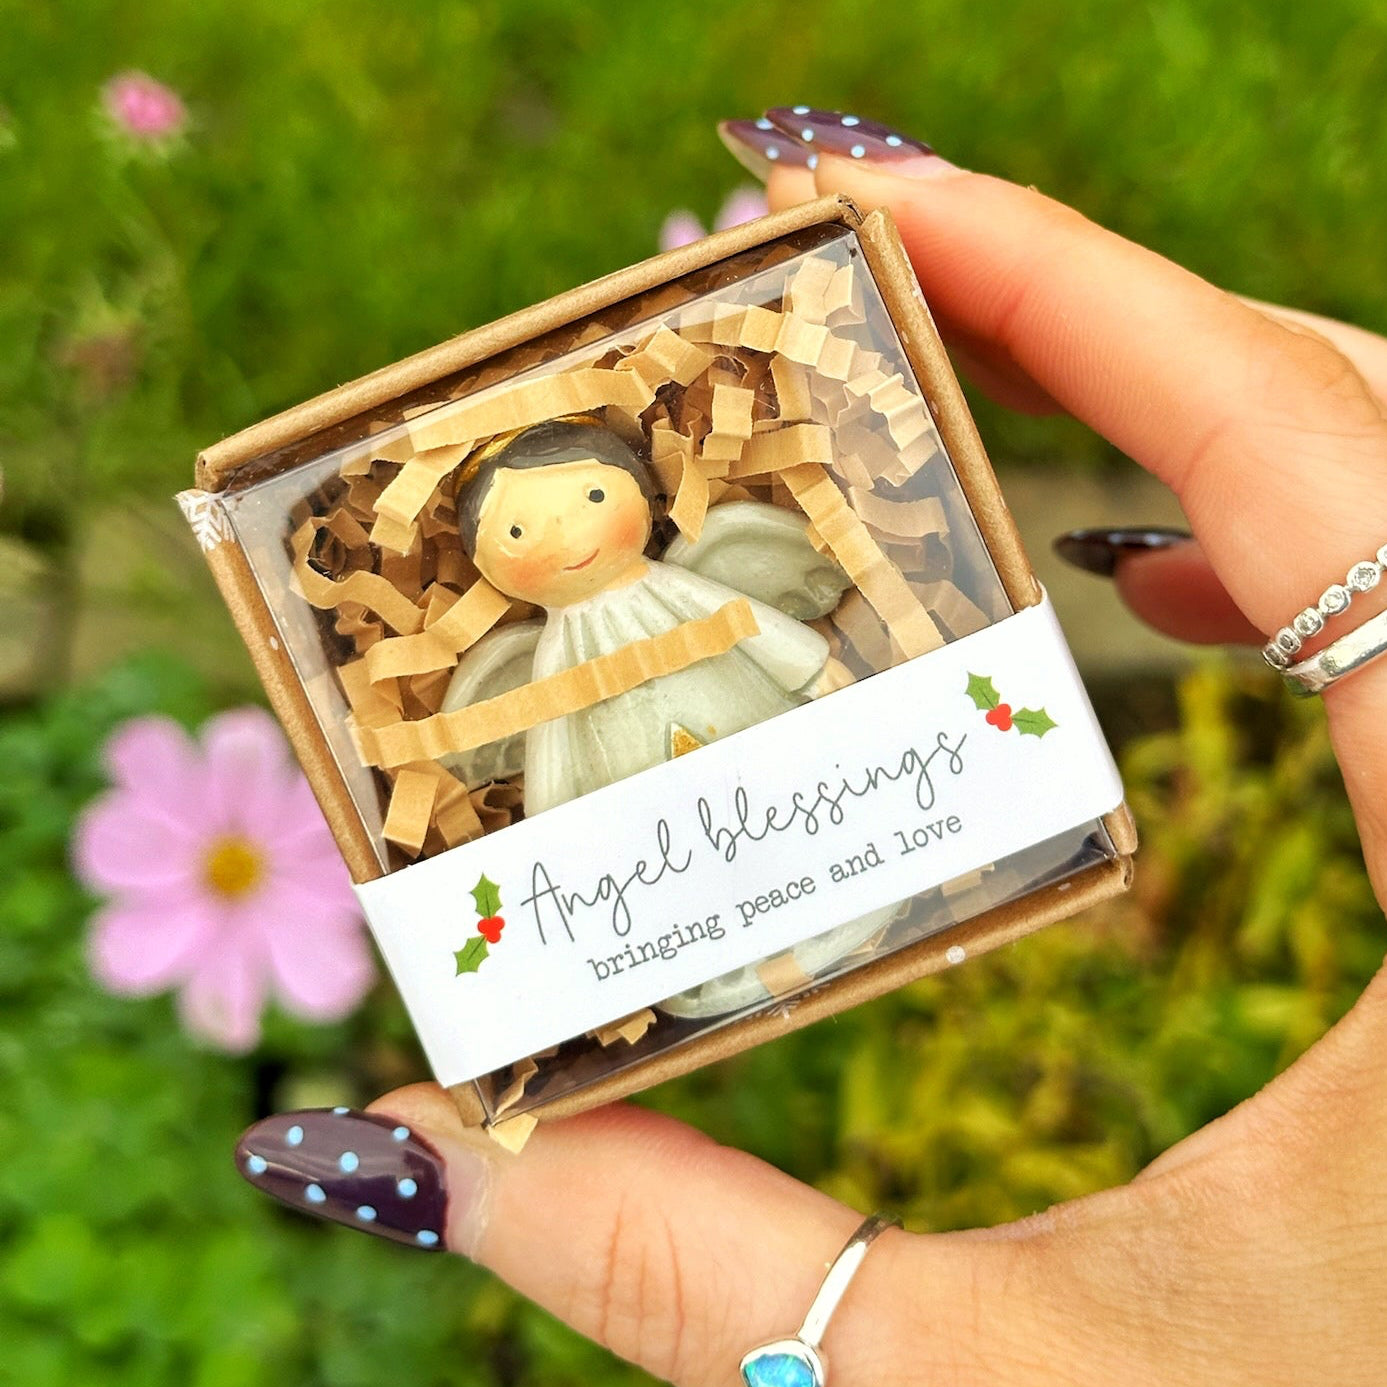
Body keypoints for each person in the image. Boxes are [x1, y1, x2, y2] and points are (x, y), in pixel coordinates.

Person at [237, 109, 1387, 1384]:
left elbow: (777, 644)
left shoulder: (699, 585)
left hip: (795, 771)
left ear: (636, 500)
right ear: (492, 563)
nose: (556, 537)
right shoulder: (546, 660)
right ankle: (731, 944)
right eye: (519, 531)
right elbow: (554, 758)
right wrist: (568, 831)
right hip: (655, 866)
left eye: (583, 499)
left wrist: (819, 677)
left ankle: (822, 906)